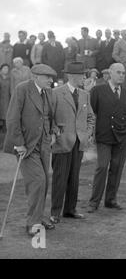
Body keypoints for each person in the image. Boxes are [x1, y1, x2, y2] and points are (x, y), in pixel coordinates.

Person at [3, 64, 57, 236]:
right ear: (35, 76)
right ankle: (32, 223)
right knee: (38, 181)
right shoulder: (22, 89)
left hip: (44, 144)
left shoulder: (47, 92)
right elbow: (12, 117)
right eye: (47, 77)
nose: (51, 80)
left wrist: (53, 131)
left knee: (44, 182)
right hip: (26, 146)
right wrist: (18, 143)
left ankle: (39, 216)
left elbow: (49, 115)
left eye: (51, 77)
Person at [49, 61, 95, 224]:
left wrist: (88, 133)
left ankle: (70, 210)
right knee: (60, 178)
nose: (84, 77)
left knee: (74, 178)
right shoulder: (55, 93)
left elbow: (90, 117)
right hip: (62, 143)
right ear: (72, 76)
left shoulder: (84, 94)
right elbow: (50, 117)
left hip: (79, 142)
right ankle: (55, 212)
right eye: (82, 74)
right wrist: (56, 133)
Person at [88, 63, 126, 212]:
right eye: (118, 72)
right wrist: (91, 132)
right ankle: (94, 202)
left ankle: (110, 200)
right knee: (102, 167)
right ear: (110, 73)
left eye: (123, 73)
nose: (121, 75)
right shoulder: (97, 90)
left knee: (116, 168)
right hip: (104, 137)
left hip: (121, 138)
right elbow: (91, 113)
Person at [0, 64, 11, 132]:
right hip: (1, 96)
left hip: (7, 97)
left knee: (6, 111)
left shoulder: (10, 78)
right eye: (4, 68)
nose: (5, 70)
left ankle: (4, 127)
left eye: (7, 69)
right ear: (1, 69)